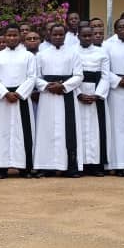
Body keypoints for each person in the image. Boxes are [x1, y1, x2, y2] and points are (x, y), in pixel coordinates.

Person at [33, 24, 84, 177]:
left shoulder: (73, 53)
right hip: (48, 96)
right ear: (49, 34)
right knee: (46, 130)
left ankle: (69, 166)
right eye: (55, 34)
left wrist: (63, 86)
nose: (57, 37)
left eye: (61, 34)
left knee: (66, 130)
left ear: (65, 35)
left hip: (65, 95)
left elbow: (79, 75)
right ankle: (45, 166)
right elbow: (36, 77)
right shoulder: (41, 54)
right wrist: (48, 86)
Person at [0, 26, 37, 178]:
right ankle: (1, 167)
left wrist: (18, 93)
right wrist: (5, 93)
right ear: (4, 37)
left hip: (21, 98)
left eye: (14, 35)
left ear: (20, 37)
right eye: (9, 35)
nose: (11, 38)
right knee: (2, 132)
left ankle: (25, 167)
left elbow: (32, 77)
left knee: (23, 132)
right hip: (3, 99)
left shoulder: (28, 56)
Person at [77, 25, 111, 176]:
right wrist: (79, 93)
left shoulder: (101, 52)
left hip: (96, 94)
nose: (87, 38)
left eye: (89, 35)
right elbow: (71, 75)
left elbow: (105, 76)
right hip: (78, 93)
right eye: (83, 36)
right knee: (80, 128)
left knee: (97, 129)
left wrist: (97, 95)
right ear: (78, 36)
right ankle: (81, 163)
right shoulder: (72, 52)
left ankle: (96, 165)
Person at [103, 18, 124, 176]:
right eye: (121, 27)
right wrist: (117, 81)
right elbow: (103, 69)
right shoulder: (107, 45)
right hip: (116, 91)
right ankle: (116, 163)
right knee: (117, 127)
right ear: (115, 30)